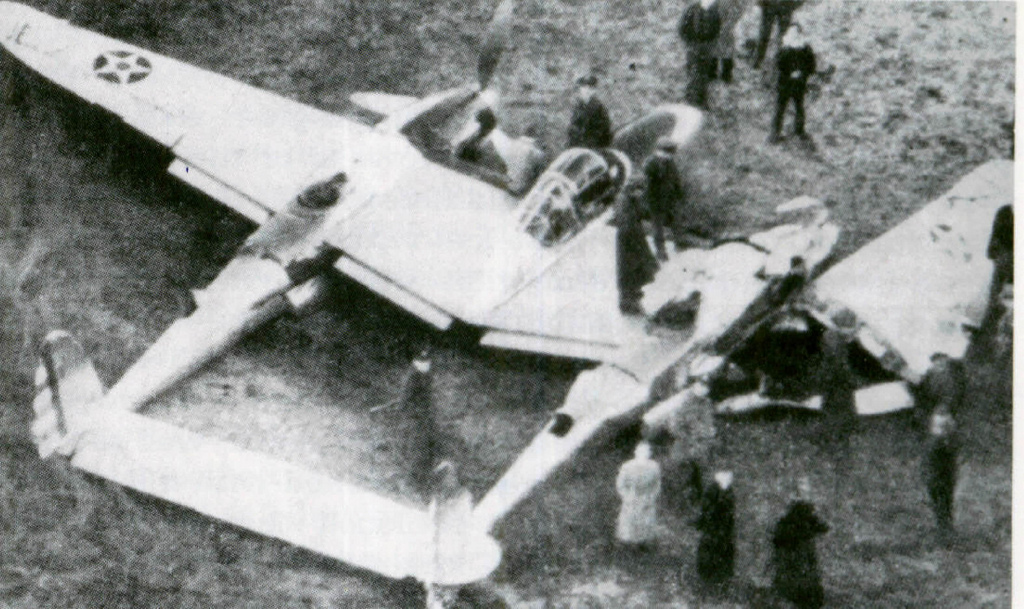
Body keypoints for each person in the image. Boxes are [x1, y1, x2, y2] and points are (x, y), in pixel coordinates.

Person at [771, 477, 829, 609]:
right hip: (798, 557)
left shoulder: (799, 513)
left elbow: (821, 527)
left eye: (806, 491)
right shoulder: (799, 512)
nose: (806, 494)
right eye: (803, 491)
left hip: (800, 558)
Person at [427, 461, 474, 609]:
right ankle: (437, 600)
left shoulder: (463, 496)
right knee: (437, 582)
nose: (448, 480)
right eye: (443, 478)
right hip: (440, 544)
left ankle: (444, 600)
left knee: (450, 582)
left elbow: (464, 523)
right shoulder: (438, 497)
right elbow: (433, 521)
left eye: (450, 476)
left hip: (454, 544)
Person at [666, 381, 716, 507]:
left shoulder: (706, 403)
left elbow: (708, 421)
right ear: (694, 387)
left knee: (702, 472)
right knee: (684, 473)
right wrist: (689, 438)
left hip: (702, 445)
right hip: (687, 445)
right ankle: (682, 501)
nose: (703, 390)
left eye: (706, 388)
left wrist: (709, 431)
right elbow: (674, 427)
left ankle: (700, 496)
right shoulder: (684, 404)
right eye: (700, 386)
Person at [614, 181, 659, 314]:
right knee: (630, 273)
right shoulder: (624, 200)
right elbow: (627, 222)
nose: (641, 195)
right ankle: (629, 303)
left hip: (631, 238)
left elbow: (641, 213)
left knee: (632, 273)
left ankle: (631, 301)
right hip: (629, 240)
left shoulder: (628, 199)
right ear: (634, 189)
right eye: (640, 191)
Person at [643, 137, 688, 261]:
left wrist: (679, 193)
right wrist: (650, 201)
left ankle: (680, 245)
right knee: (658, 228)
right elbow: (647, 185)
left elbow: (675, 178)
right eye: (670, 152)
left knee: (677, 222)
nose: (672, 155)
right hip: (655, 201)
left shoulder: (670, 162)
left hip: (670, 199)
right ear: (662, 151)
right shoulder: (650, 164)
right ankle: (660, 252)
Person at [769, 24, 816, 144]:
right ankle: (796, 130)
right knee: (795, 107)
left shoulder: (787, 49)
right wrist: (801, 73)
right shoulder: (805, 49)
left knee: (783, 108)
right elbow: (811, 67)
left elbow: (778, 64)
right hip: (795, 84)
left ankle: (777, 133)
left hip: (788, 84)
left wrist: (795, 73)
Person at [818, 309, 857, 446]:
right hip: (837, 380)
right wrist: (851, 378)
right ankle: (836, 437)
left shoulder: (830, 335)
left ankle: (832, 436)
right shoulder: (835, 340)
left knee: (831, 407)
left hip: (829, 378)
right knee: (840, 408)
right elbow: (839, 363)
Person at [615, 442, 662, 550]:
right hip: (632, 497)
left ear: (649, 453)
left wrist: (652, 497)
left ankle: (643, 544)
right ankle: (628, 544)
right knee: (630, 521)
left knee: (645, 521)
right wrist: (626, 496)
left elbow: (657, 484)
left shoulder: (654, 467)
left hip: (647, 498)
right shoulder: (627, 466)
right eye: (641, 452)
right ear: (636, 452)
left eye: (646, 452)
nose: (643, 454)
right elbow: (620, 483)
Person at [922, 411, 959, 546]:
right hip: (939, 480)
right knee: (943, 506)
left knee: (943, 506)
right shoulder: (938, 444)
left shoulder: (937, 442)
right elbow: (940, 465)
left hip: (940, 479)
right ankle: (945, 533)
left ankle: (945, 531)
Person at [694, 471, 736, 586]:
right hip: (712, 528)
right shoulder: (712, 491)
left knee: (723, 550)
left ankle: (721, 577)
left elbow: (730, 512)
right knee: (710, 550)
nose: (728, 480)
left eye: (729, 478)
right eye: (725, 477)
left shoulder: (729, 492)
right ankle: (707, 576)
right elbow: (706, 511)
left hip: (724, 529)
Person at [679, 0, 722, 108]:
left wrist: (712, 43)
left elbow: (717, 27)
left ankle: (702, 98)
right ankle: (690, 99)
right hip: (694, 46)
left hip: (707, 46)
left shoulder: (714, 11)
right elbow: (682, 29)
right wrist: (690, 43)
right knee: (693, 73)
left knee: (704, 74)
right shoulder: (691, 10)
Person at [912, 353, 966, 429]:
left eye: (942, 360)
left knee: (940, 421)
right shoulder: (930, 373)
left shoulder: (952, 376)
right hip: (931, 401)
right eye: (936, 360)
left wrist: (943, 408)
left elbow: (953, 394)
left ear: (947, 361)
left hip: (946, 404)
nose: (939, 362)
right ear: (933, 363)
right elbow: (922, 385)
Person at [566, 75, 613, 150]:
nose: (586, 91)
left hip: (595, 148)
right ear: (580, 90)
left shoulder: (599, 108)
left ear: (594, 91)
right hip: (577, 147)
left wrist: (589, 144)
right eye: (584, 87)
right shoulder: (578, 108)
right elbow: (573, 129)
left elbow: (602, 131)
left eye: (590, 88)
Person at [754, 0, 803, 69]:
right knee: (765, 34)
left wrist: (796, 3)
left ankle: (782, 63)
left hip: (785, 5)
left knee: (785, 37)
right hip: (770, 4)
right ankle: (758, 61)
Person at [712, 0, 745, 83]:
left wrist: (732, 19)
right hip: (715, 15)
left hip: (729, 16)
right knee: (714, 44)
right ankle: (712, 70)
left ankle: (726, 73)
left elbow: (740, 6)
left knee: (727, 46)